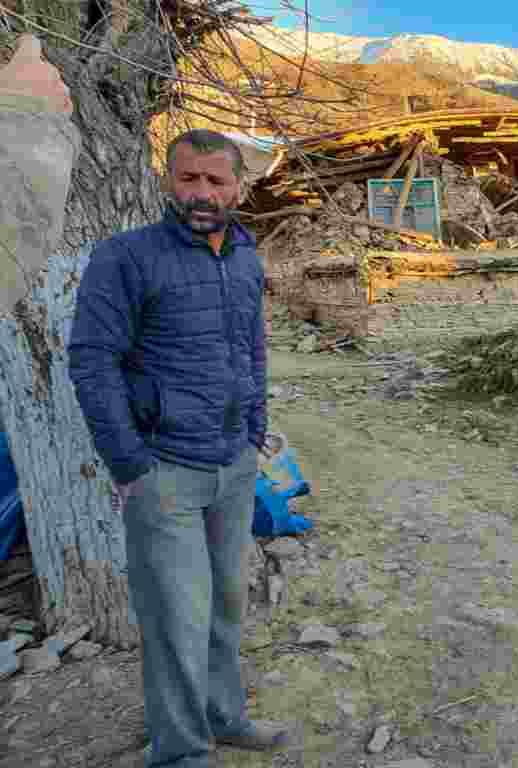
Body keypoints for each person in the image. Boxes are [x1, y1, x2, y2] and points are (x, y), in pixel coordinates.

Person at [68, 129, 288, 768]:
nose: (202, 193)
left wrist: (254, 428)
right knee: (175, 622)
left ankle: (225, 717)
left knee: (226, 604)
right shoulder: (127, 257)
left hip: (233, 464)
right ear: (169, 181)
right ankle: (182, 752)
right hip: (165, 469)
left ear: (239, 188)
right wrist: (130, 464)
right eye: (189, 179)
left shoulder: (246, 256)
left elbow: (251, 349)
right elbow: (92, 361)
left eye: (216, 182)